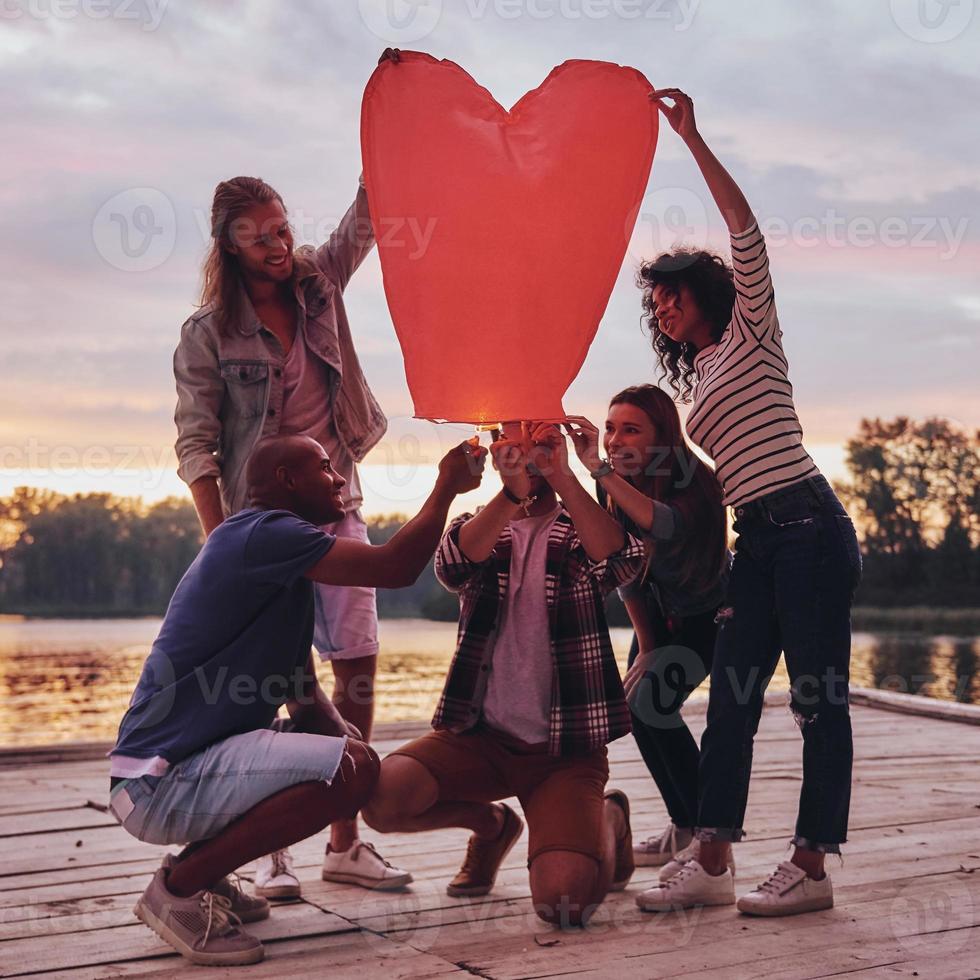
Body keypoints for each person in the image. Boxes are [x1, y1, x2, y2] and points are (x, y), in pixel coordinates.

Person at [107, 435, 486, 965]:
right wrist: (446, 488)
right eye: (326, 468)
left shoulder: (278, 572)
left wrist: (352, 753)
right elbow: (394, 568)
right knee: (349, 768)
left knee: (350, 760)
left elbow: (305, 699)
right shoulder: (262, 533)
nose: (340, 481)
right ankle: (179, 890)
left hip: (173, 775)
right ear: (286, 480)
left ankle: (209, 875)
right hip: (157, 783)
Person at [171, 50, 403, 899]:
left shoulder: (316, 283)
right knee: (275, 680)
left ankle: (344, 838)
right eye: (258, 236)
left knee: (358, 662)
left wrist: (389, 115)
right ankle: (267, 852)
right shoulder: (208, 334)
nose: (276, 245)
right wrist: (223, 544)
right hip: (259, 522)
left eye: (279, 228)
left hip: (333, 492)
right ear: (228, 244)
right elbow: (198, 444)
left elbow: (365, 221)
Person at [631, 88, 863, 917]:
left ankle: (810, 865)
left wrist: (693, 139)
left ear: (707, 292)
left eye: (671, 291)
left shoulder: (752, 329)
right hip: (757, 542)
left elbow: (747, 231)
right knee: (730, 701)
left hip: (808, 526)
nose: (661, 305)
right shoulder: (702, 377)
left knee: (815, 702)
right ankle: (715, 856)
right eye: (655, 299)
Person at [363, 422, 645, 928]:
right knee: (383, 800)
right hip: (479, 740)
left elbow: (624, 560)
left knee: (564, 904)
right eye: (512, 441)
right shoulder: (480, 525)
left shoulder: (579, 524)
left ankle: (608, 816)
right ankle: (492, 825)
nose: (526, 452)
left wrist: (564, 477)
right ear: (496, 451)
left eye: (536, 439)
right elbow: (451, 566)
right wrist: (510, 496)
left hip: (564, 752)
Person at [563, 384, 728, 872]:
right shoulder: (610, 484)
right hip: (656, 614)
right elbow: (624, 567)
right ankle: (684, 827)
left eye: (631, 429)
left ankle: (708, 837)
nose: (615, 440)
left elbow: (663, 525)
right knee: (637, 711)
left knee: (654, 707)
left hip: (710, 616)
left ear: (662, 438)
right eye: (610, 428)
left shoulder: (696, 482)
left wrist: (599, 469)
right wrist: (649, 646)